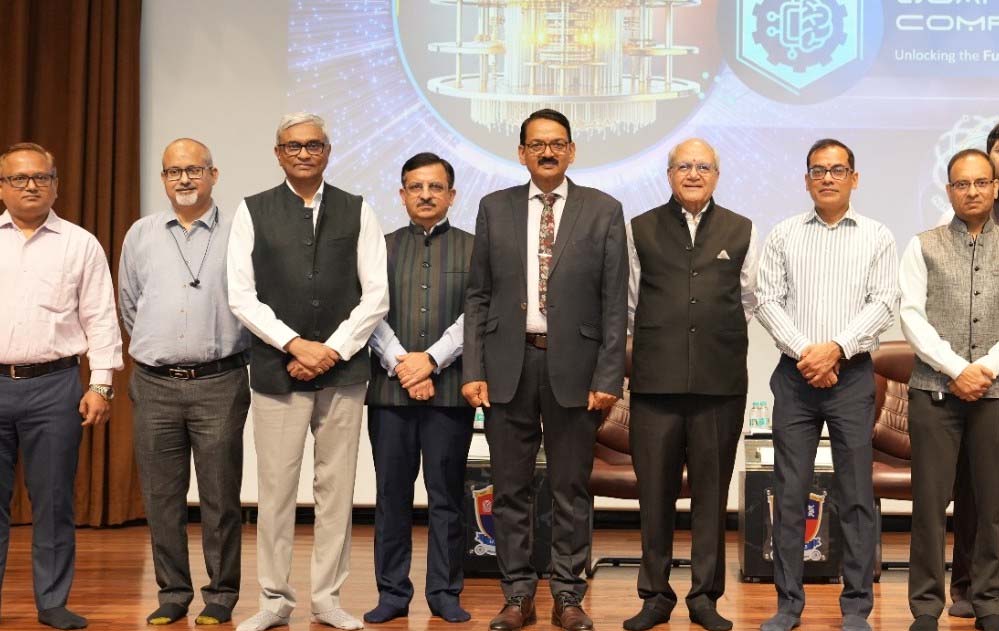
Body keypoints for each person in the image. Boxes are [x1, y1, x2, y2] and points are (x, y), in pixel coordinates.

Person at [463, 108, 628, 631]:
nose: (548, 152)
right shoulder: (494, 208)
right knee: (509, 488)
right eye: (537, 144)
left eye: (557, 143)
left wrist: (609, 377)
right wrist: (473, 368)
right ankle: (516, 595)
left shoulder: (603, 210)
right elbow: (478, 295)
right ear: (522, 153)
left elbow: (614, 303)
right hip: (508, 366)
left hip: (576, 371)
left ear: (572, 151)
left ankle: (567, 594)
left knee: (570, 489)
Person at [227, 113, 389, 631]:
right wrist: (295, 344)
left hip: (343, 374)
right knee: (275, 491)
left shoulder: (358, 209)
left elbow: (377, 295)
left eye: (313, 144)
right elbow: (241, 296)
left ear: (328, 151)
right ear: (278, 153)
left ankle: (327, 599)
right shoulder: (252, 210)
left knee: (335, 490)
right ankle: (274, 601)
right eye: (293, 146)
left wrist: (331, 351)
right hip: (277, 371)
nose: (303, 153)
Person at [755, 139, 899, 631]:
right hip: (795, 378)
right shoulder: (784, 234)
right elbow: (766, 300)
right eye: (819, 170)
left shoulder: (877, 236)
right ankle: (787, 605)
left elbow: (884, 302)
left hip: (852, 377)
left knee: (856, 494)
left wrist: (835, 348)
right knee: (789, 494)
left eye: (838, 170)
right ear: (806, 180)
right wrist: (808, 353)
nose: (828, 178)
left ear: (854, 178)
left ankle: (856, 606)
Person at [623, 139, 758, 631]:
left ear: (717, 175)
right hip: (654, 385)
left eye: (703, 166)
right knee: (654, 496)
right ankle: (655, 596)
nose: (694, 174)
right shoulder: (640, 228)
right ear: (669, 174)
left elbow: (748, 298)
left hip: (720, 386)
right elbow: (631, 304)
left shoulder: (742, 228)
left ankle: (705, 598)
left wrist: (709, 339)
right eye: (684, 166)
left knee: (710, 496)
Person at [118, 138, 251, 626]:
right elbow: (129, 303)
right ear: (163, 179)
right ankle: (173, 592)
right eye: (174, 171)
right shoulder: (141, 233)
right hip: (154, 384)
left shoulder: (239, 233)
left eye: (194, 169)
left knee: (221, 498)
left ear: (214, 175)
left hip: (220, 381)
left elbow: (252, 304)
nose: (184, 179)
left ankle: (221, 594)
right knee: (161, 498)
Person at [0, 142, 123, 629]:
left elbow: (101, 317)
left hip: (55, 387)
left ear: (56, 185)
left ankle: (52, 602)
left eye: (41, 177)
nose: (30, 186)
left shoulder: (80, 243)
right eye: (18, 178)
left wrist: (102, 384)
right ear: (2, 187)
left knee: (53, 501)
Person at [364, 152, 475, 625]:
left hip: (449, 393)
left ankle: (445, 593)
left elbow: (477, 314)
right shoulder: (378, 248)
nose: (425, 195)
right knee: (391, 495)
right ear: (402, 194)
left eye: (435, 187)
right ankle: (392, 593)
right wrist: (401, 364)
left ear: (451, 195)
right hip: (389, 394)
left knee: (446, 495)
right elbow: (368, 312)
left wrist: (430, 361)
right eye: (416, 187)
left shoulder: (475, 249)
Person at [901, 149, 999, 631]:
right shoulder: (923, 245)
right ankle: (925, 607)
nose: (972, 191)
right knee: (928, 506)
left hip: (994, 394)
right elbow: (911, 316)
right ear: (949, 191)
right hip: (933, 394)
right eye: (962, 184)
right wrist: (957, 368)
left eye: (981, 182)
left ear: (996, 187)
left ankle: (988, 601)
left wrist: (985, 369)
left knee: (993, 507)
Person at [947, 121, 999, 619]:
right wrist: (977, 369)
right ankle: (968, 585)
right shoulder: (967, 220)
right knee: (974, 489)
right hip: (978, 381)